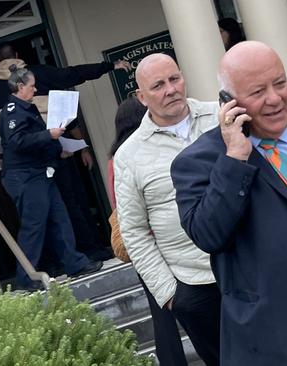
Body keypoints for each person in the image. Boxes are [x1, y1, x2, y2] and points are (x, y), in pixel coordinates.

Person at [171, 41, 287, 365]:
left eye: (279, 83)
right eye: (257, 91)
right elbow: (209, 235)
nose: (275, 98)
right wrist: (236, 157)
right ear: (228, 101)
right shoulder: (202, 161)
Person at [0, 42, 128, 261]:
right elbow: (73, 74)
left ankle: (58, 261)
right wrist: (109, 66)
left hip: (26, 165)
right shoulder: (39, 74)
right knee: (72, 202)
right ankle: (91, 250)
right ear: (18, 55)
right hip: (58, 152)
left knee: (41, 213)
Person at [113, 53, 221, 365]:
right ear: (141, 97)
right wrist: (170, 293)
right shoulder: (129, 156)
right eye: (158, 85)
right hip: (194, 285)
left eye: (174, 79)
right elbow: (133, 231)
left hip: (253, 267)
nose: (170, 89)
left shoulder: (222, 116)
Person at [0, 65, 102, 290]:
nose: (35, 90)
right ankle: (27, 279)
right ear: (20, 86)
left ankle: (74, 263)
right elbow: (17, 142)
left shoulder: (25, 108)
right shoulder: (12, 111)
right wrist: (49, 134)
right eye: (32, 86)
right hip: (25, 176)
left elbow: (34, 142)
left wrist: (58, 149)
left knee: (59, 218)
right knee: (34, 226)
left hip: (40, 172)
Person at [108, 96, 187, 366]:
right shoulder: (138, 152)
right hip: (164, 239)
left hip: (142, 244)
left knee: (161, 313)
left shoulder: (114, 160)